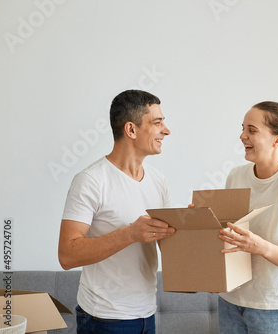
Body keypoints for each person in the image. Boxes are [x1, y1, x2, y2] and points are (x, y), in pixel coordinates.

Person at [58, 89, 175, 334]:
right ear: (131, 130)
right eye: (157, 123)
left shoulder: (158, 180)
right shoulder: (90, 180)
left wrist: (194, 229)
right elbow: (67, 255)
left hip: (147, 314)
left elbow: (167, 244)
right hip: (104, 319)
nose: (166, 130)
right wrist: (130, 234)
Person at [217, 101, 278, 334]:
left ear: (277, 140)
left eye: (252, 130)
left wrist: (259, 246)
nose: (242, 136)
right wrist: (200, 221)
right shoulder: (235, 176)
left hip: (275, 308)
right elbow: (227, 237)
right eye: (242, 128)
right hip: (231, 302)